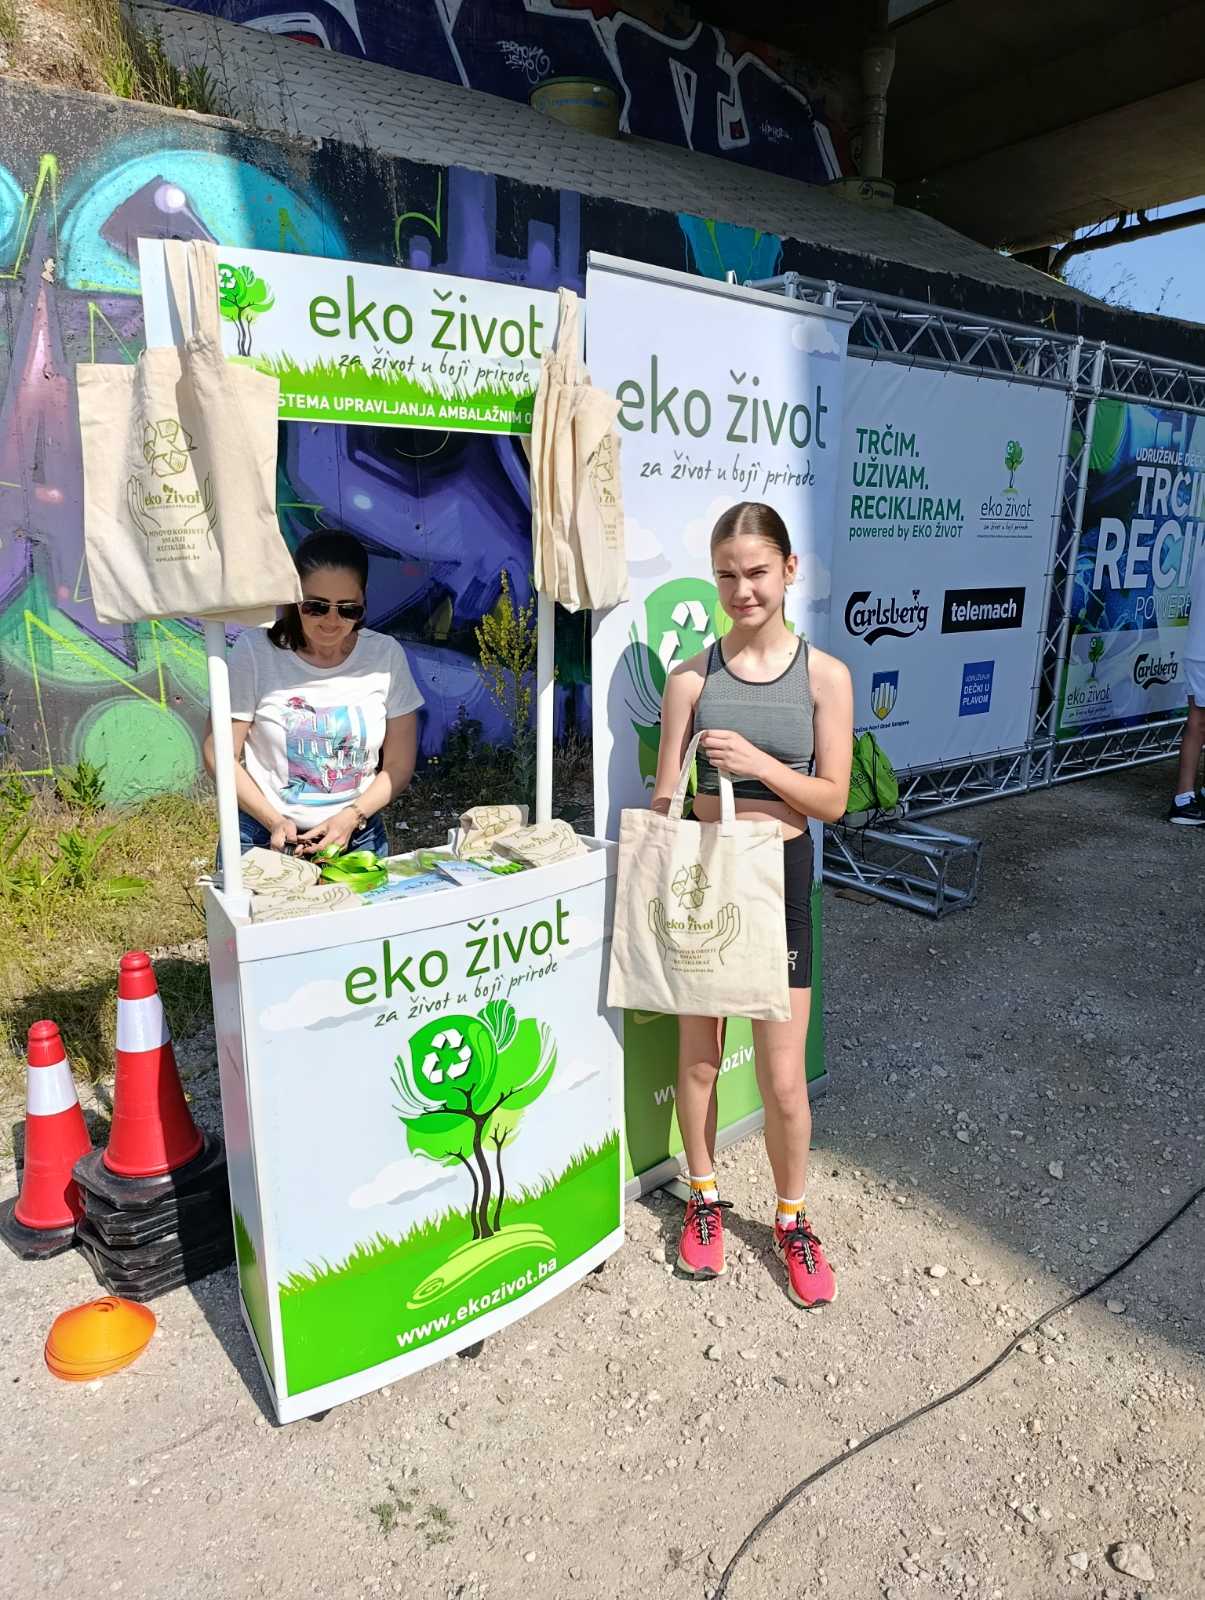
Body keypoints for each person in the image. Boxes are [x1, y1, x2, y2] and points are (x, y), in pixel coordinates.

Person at [652, 502, 853, 1309]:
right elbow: (666, 794)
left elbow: (831, 800)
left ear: (788, 570)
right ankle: (702, 1198)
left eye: (758, 572)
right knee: (699, 1059)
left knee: (783, 1079)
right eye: (727, 575)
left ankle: (791, 1219)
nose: (743, 590)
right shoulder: (689, 679)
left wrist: (759, 763)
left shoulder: (824, 677)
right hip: (705, 882)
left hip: (780, 881)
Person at [202, 530, 423, 860]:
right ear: (295, 599)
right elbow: (218, 753)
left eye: (347, 609)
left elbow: (398, 765)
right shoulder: (255, 653)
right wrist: (274, 821)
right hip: (263, 837)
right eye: (316, 607)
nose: (332, 621)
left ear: (363, 602)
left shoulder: (385, 656)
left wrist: (352, 817)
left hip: (356, 837)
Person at [1167, 537, 1205, 825]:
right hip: (1201, 651)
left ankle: (1185, 797)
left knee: (1198, 721)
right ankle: (1183, 799)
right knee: (1198, 721)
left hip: (1198, 650)